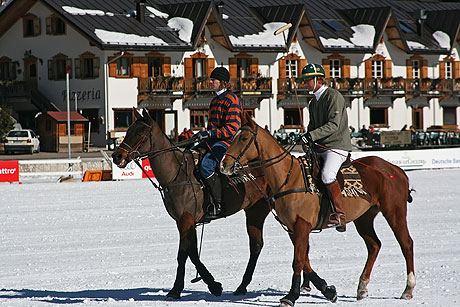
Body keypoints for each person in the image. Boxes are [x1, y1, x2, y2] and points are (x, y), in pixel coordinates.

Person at [297, 63, 352, 232]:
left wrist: (311, 136)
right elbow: (312, 126)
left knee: (327, 175)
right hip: (319, 147)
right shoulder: (313, 103)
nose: (305, 84)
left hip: (336, 146)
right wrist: (306, 137)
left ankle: (339, 215)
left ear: (317, 79)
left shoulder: (333, 96)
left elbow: (334, 125)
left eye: (307, 81)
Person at [193, 67, 242, 218]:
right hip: (212, 140)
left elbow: (233, 129)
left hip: (227, 143)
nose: (210, 82)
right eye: (211, 79)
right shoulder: (215, 100)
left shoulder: (231, 99)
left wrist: (211, 133)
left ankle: (218, 204)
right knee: (189, 155)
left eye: (213, 80)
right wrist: (204, 135)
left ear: (223, 83)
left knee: (207, 166)